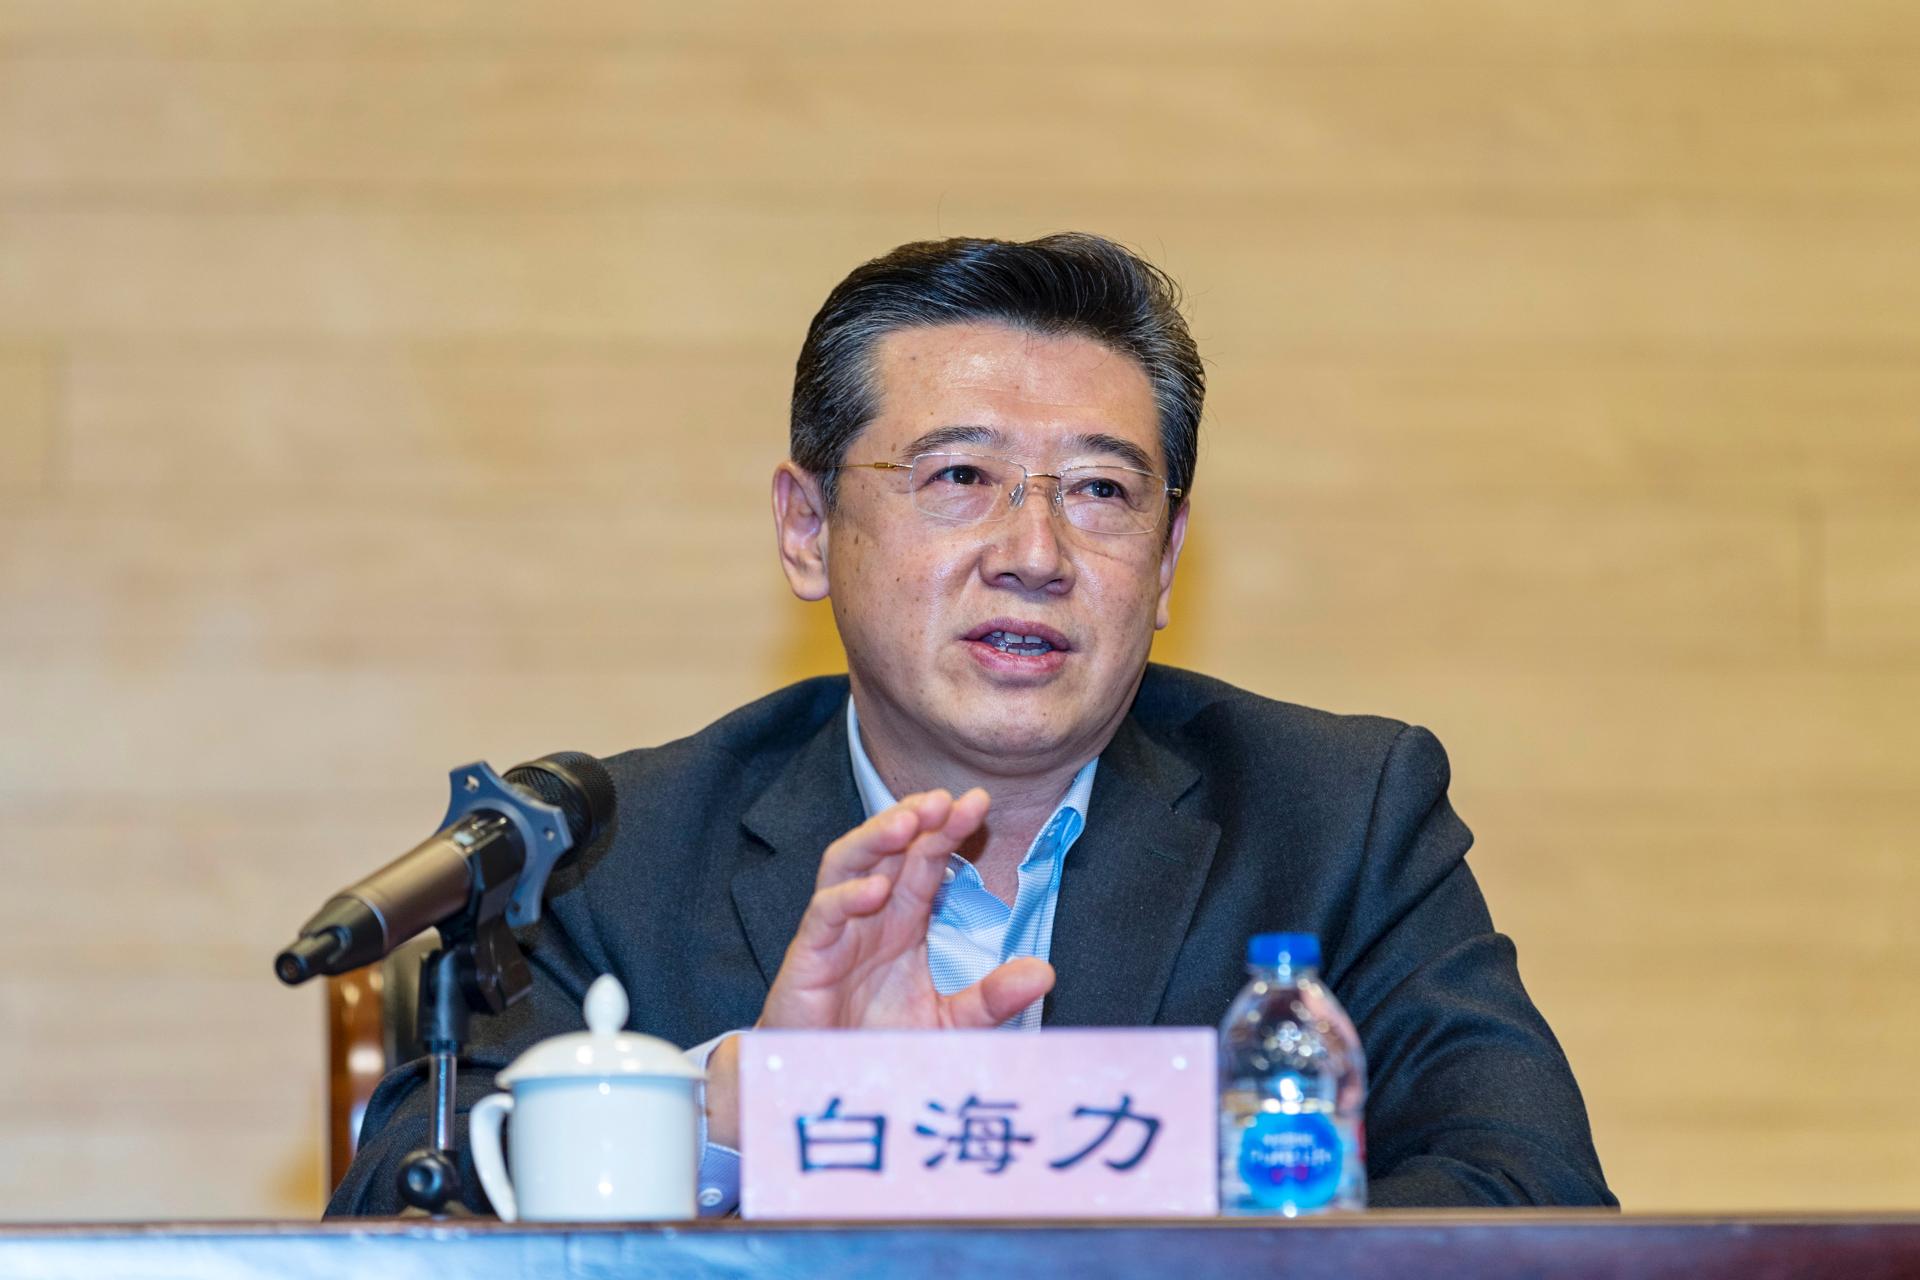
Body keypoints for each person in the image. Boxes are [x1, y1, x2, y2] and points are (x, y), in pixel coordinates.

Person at [329, 233, 1614, 1215]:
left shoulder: (1337, 813)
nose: (1035, 553)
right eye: (959, 475)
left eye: (1100, 490)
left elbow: (1533, 1196)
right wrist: (748, 1102)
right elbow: (398, 1217)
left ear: (1168, 558)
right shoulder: (608, 852)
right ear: (806, 527)